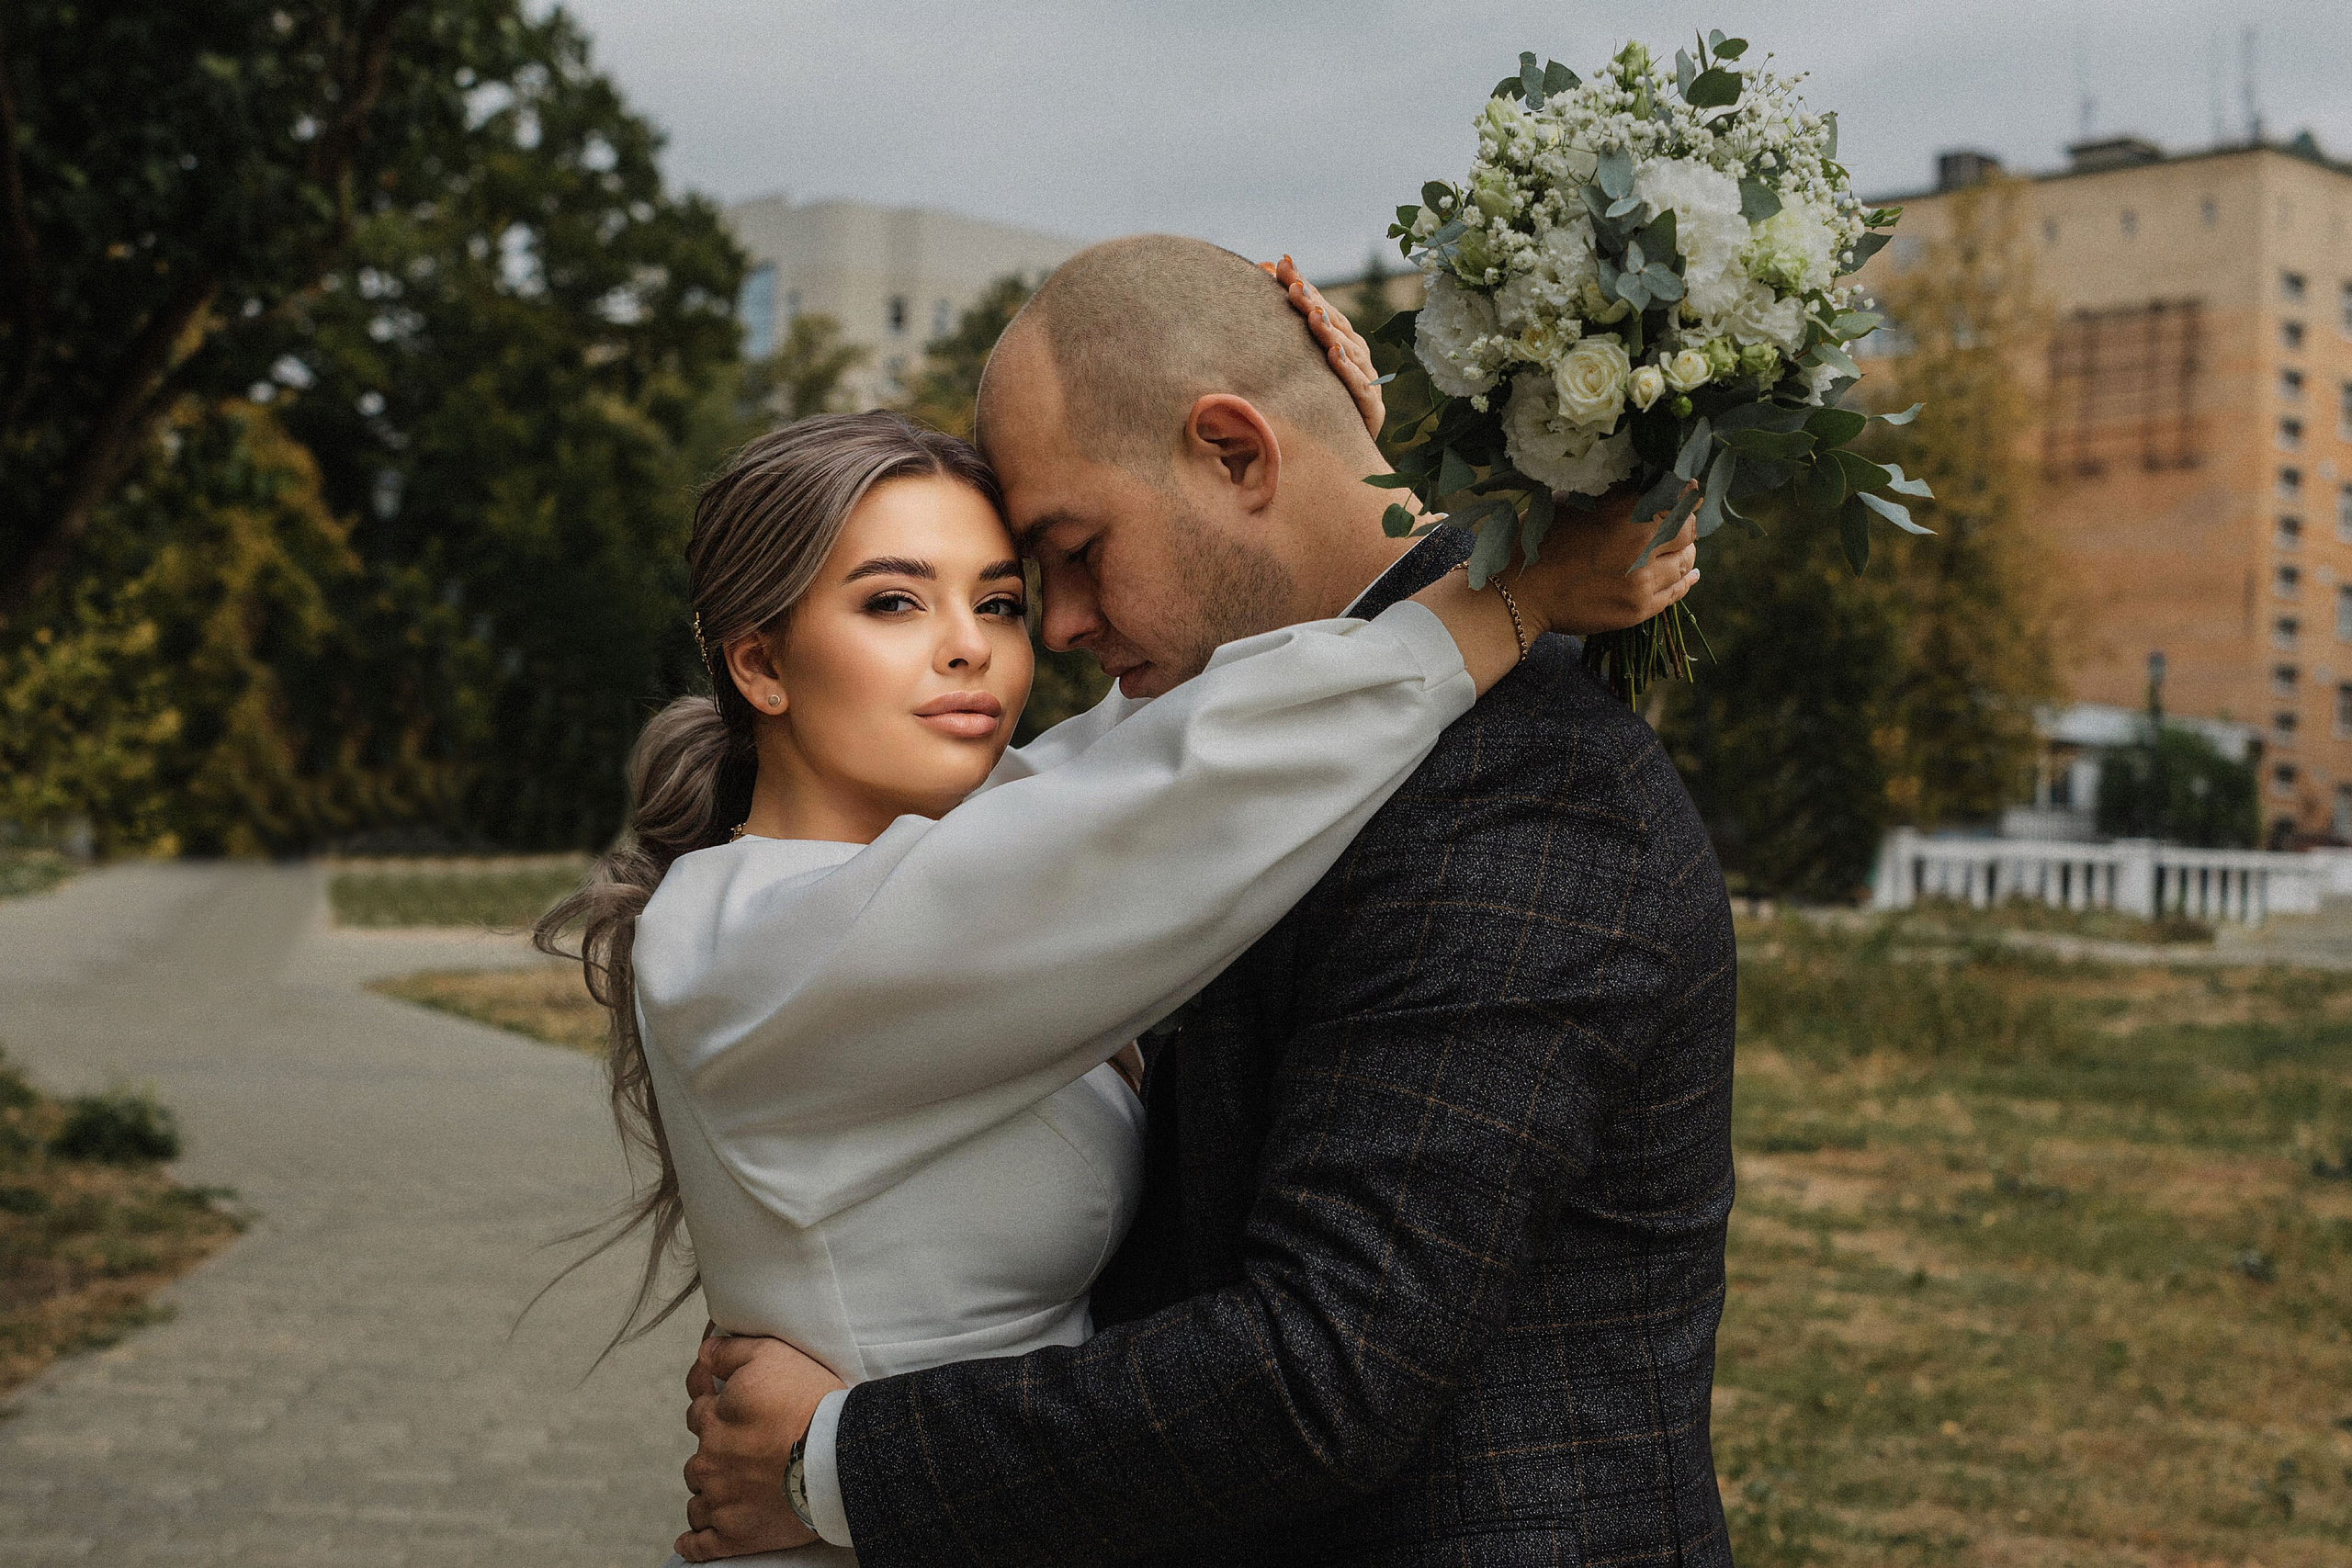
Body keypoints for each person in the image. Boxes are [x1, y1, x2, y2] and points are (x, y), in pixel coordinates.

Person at [534, 250, 1703, 1566]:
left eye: (1009, 592)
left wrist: (1365, 472)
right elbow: (1162, 797)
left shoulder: (1514, 799)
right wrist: (1499, 584)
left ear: (1236, 452)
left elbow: (1155, 761)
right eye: (892, 602)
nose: (1006, 640)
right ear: (758, 661)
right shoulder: (748, 937)